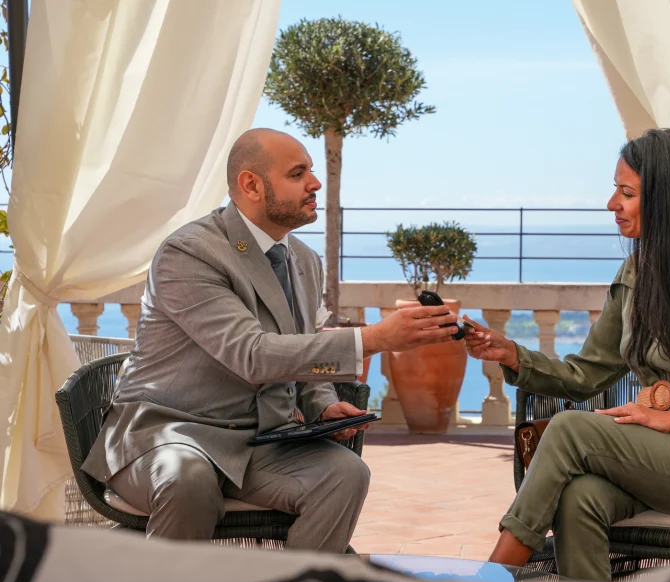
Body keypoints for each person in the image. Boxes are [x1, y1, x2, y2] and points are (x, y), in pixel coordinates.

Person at [82, 128, 461, 552]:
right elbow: (252, 355)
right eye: (298, 173)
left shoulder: (303, 260)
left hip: (259, 441)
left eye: (312, 172)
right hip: (168, 433)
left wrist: (320, 403)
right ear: (251, 185)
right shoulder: (189, 253)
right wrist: (373, 338)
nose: (314, 184)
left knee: (345, 474)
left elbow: (301, 346)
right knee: (186, 477)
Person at [462, 128, 670, 581]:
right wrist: (511, 354)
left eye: (627, 192)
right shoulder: (636, 271)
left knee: (571, 429)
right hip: (664, 459)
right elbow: (586, 374)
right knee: (580, 498)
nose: (611, 203)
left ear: (668, 198)